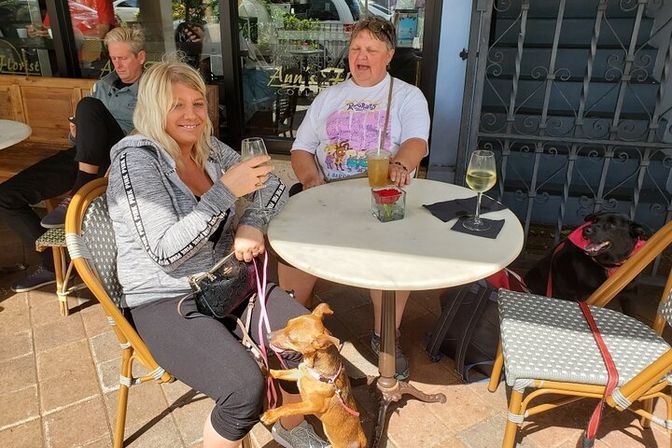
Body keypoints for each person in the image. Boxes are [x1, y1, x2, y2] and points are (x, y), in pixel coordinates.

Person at [106, 59, 330, 448]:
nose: (192, 115)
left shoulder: (207, 149)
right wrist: (226, 190)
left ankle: (291, 426)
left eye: (197, 103)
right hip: (165, 299)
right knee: (243, 388)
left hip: (226, 283)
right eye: (177, 105)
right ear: (153, 108)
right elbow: (165, 252)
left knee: (310, 342)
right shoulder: (137, 160)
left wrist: (252, 222)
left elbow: (272, 182)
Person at [277, 16, 430, 381]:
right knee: (292, 249)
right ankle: (295, 330)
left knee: (395, 259)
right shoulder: (330, 97)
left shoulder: (408, 96)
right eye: (356, 48)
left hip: (381, 200)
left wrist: (401, 165)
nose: (361, 56)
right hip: (327, 200)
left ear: (389, 55)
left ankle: (384, 335)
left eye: (371, 49)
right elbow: (301, 149)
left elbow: (415, 142)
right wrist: (311, 179)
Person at [0, 26, 146, 293]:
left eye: (123, 58)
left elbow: (153, 131)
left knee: (88, 106)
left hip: (118, 158)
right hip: (83, 158)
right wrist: (74, 134)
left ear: (141, 57)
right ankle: (51, 265)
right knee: (6, 196)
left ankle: (78, 193)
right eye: (113, 58)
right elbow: (81, 138)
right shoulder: (102, 86)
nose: (118, 64)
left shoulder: (152, 88)